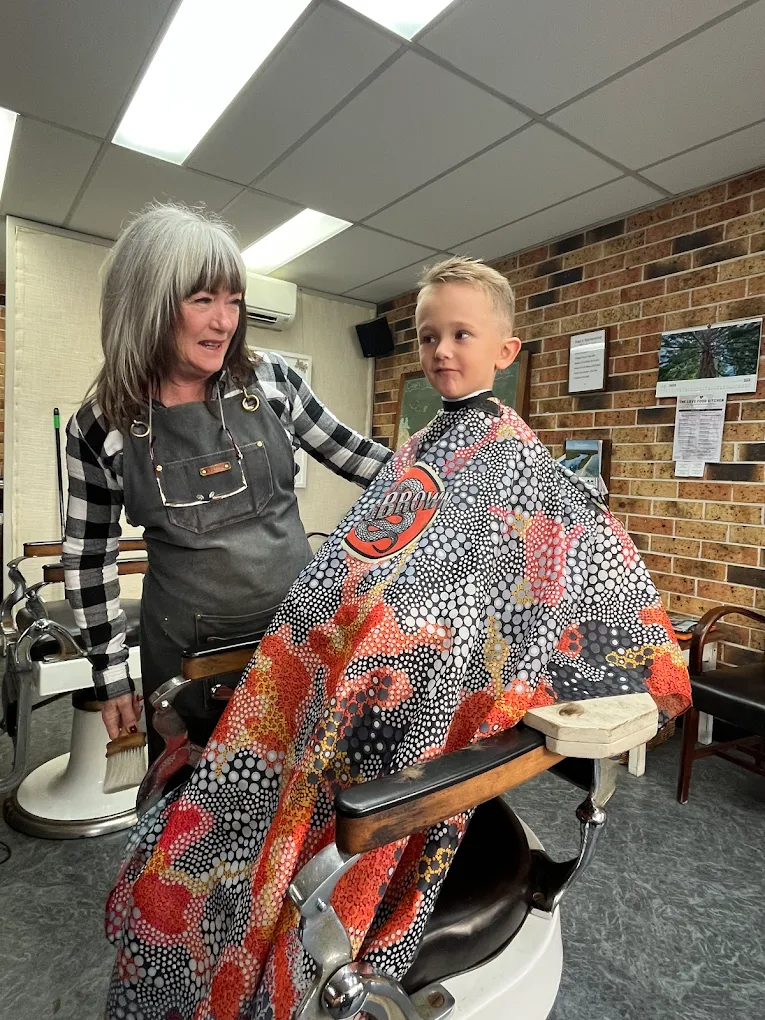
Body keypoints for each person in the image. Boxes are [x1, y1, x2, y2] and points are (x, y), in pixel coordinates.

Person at [104, 257, 691, 1019]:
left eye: (461, 335)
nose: (441, 351)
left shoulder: (520, 464)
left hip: (402, 707)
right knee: (197, 844)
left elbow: (580, 560)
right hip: (323, 679)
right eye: (427, 337)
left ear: (505, 351)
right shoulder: (418, 451)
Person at [63, 204, 391, 760]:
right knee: (198, 790)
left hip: (298, 638)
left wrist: (454, 472)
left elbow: (361, 459)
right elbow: (90, 559)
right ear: (147, 305)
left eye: (234, 301)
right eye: (202, 300)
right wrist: (111, 672)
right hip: (189, 666)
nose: (225, 322)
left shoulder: (272, 381)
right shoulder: (102, 424)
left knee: (299, 782)